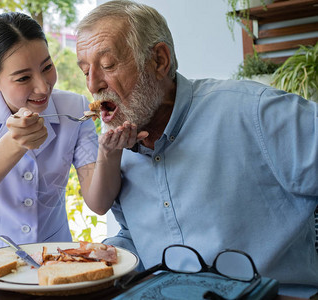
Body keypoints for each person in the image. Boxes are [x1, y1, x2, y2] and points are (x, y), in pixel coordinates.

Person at [75, 0, 318, 297]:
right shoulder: (119, 143)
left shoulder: (255, 113)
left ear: (159, 61)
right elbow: (137, 236)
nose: (93, 84)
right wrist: (96, 261)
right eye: (85, 70)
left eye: (108, 65)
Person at [0, 12, 100, 248]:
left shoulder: (76, 109)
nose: (43, 87)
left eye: (47, 67)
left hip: (53, 255)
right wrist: (14, 142)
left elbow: (97, 200)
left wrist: (112, 147)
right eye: (23, 78)